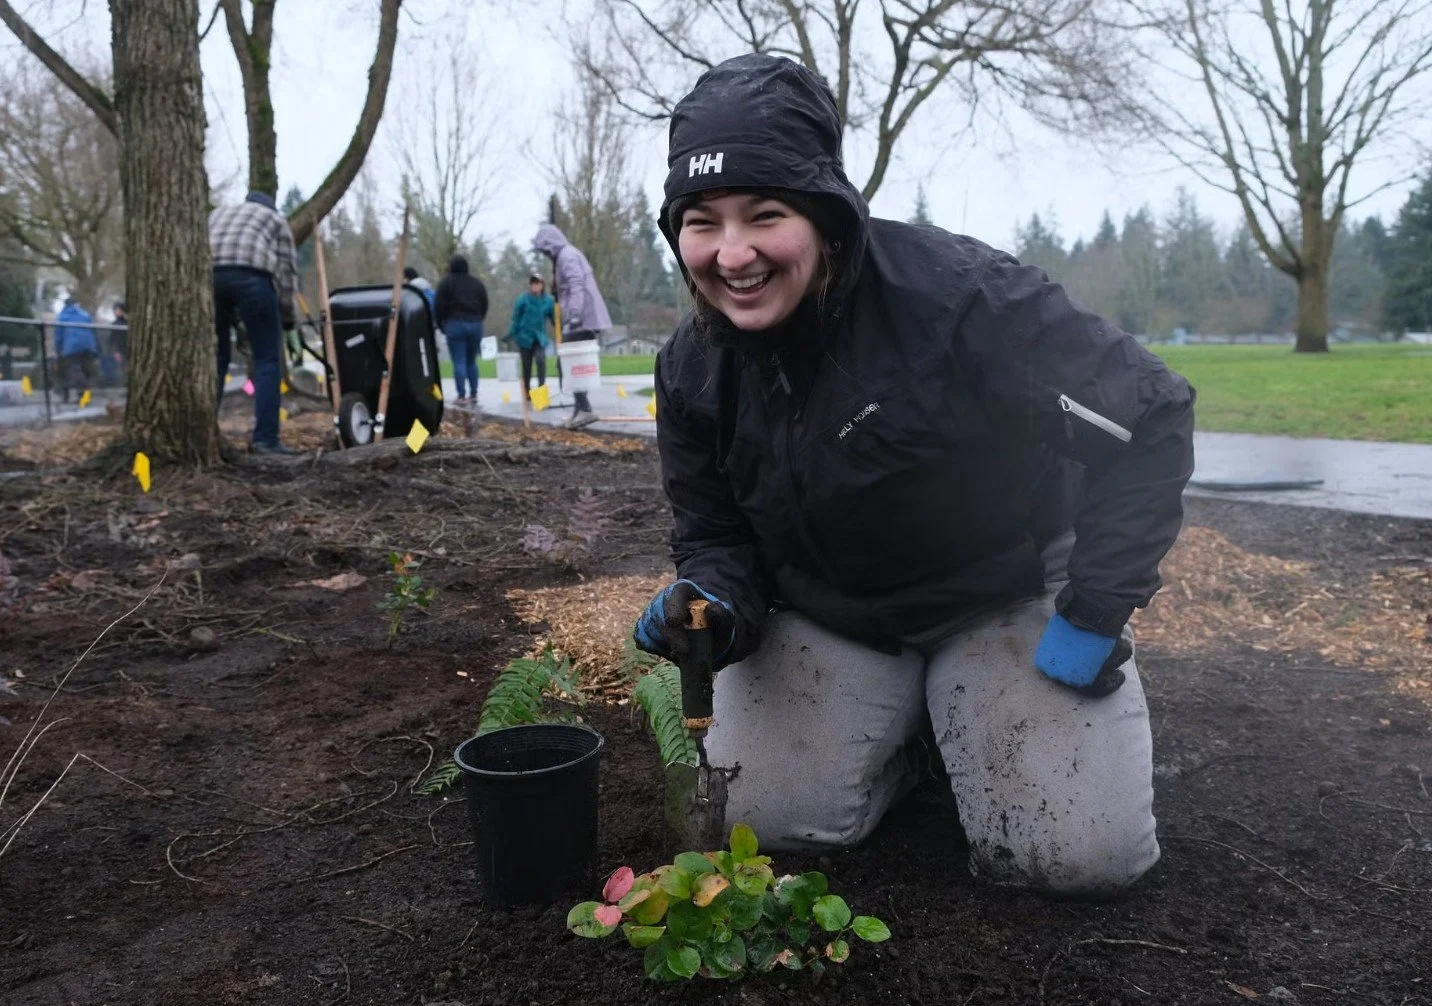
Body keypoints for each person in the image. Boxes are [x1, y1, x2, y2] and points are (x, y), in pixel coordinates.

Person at [632, 54, 1196, 897]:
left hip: (1000, 590)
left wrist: (1094, 610)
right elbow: (717, 536)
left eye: (766, 214)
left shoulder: (960, 299)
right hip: (837, 611)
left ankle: (972, 710)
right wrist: (713, 608)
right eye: (703, 222)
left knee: (1072, 859)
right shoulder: (690, 368)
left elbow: (1151, 413)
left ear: (825, 215)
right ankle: (916, 748)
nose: (733, 253)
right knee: (770, 823)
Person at [209, 191, 299, 455]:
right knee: (267, 359)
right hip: (253, 279)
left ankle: (205, 431)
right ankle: (265, 440)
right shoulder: (275, 219)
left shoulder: (216, 214)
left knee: (216, 357)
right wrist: (288, 316)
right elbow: (286, 272)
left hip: (209, 277)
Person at [532, 224, 612, 429]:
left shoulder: (567, 256)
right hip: (580, 318)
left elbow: (577, 284)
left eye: (544, 250)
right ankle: (580, 410)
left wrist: (574, 315)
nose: (545, 254)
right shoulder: (564, 257)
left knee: (569, 366)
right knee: (568, 366)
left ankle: (584, 409)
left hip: (582, 318)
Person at [433, 254, 487, 404]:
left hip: (455, 324)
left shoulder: (446, 283)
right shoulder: (477, 284)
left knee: (459, 361)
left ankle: (461, 395)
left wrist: (441, 324)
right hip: (475, 323)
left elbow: (438, 306)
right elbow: (484, 303)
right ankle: (474, 393)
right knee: (471, 361)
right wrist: (479, 318)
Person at [507, 273, 555, 400]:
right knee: (526, 366)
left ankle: (541, 390)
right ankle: (527, 392)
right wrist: (512, 333)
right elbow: (516, 318)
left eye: (537, 283)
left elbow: (554, 319)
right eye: (533, 283)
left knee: (540, 360)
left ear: (542, 285)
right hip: (525, 337)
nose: (535, 285)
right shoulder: (523, 299)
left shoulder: (548, 301)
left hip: (539, 337)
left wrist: (560, 327)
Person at [53, 296, 98, 404]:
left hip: (72, 347)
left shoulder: (62, 316)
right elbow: (93, 331)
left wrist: (58, 349)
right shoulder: (85, 314)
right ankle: (84, 397)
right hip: (89, 346)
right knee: (85, 369)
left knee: (74, 369)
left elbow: (58, 335)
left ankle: (84, 388)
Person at [103, 300, 128, 388]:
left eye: (118, 310)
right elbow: (111, 340)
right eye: (115, 310)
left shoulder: (126, 322)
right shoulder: (114, 324)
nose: (116, 312)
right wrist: (115, 351)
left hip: (127, 349)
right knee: (124, 369)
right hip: (121, 351)